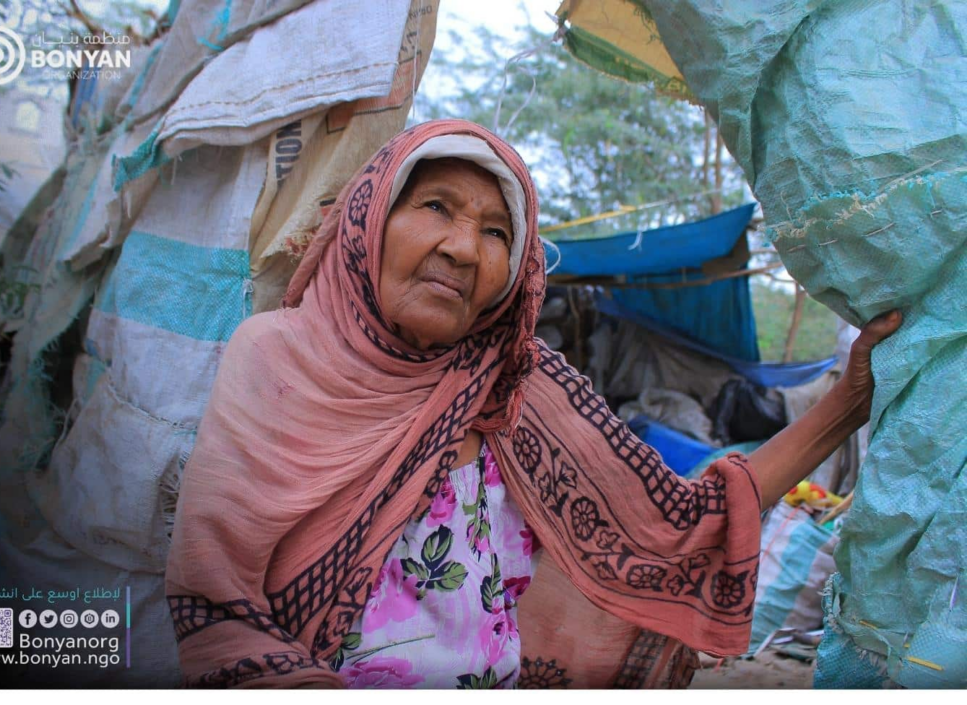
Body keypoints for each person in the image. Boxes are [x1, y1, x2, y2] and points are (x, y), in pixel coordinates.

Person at [164, 119, 900, 689]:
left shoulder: (521, 383)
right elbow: (217, 604)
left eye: (496, 232)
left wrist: (846, 401)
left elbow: (678, 526)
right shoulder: (277, 358)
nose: (462, 247)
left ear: (514, 273)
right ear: (370, 219)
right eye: (436, 207)